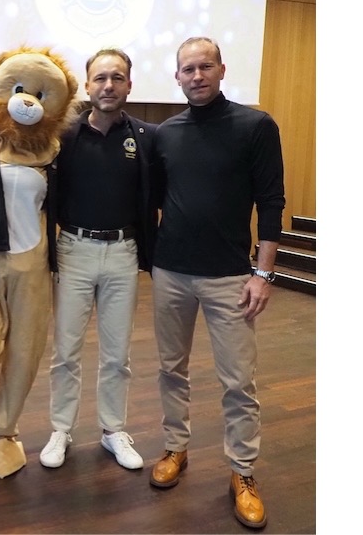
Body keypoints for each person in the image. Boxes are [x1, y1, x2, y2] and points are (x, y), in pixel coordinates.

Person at [148, 36, 285, 530]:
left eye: (206, 66)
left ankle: (243, 472)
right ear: (177, 76)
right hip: (171, 273)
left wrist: (263, 273)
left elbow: (271, 202)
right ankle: (175, 446)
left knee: (238, 382)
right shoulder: (166, 134)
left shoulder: (256, 126)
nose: (198, 75)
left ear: (222, 70)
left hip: (232, 278)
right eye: (188, 69)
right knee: (170, 368)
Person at [39, 48, 157, 471]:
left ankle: (112, 430)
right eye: (101, 78)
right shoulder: (63, 136)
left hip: (123, 254)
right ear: (86, 86)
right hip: (73, 251)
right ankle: (61, 429)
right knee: (66, 351)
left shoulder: (145, 137)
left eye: (118, 77)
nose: (109, 85)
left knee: (116, 353)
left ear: (129, 84)